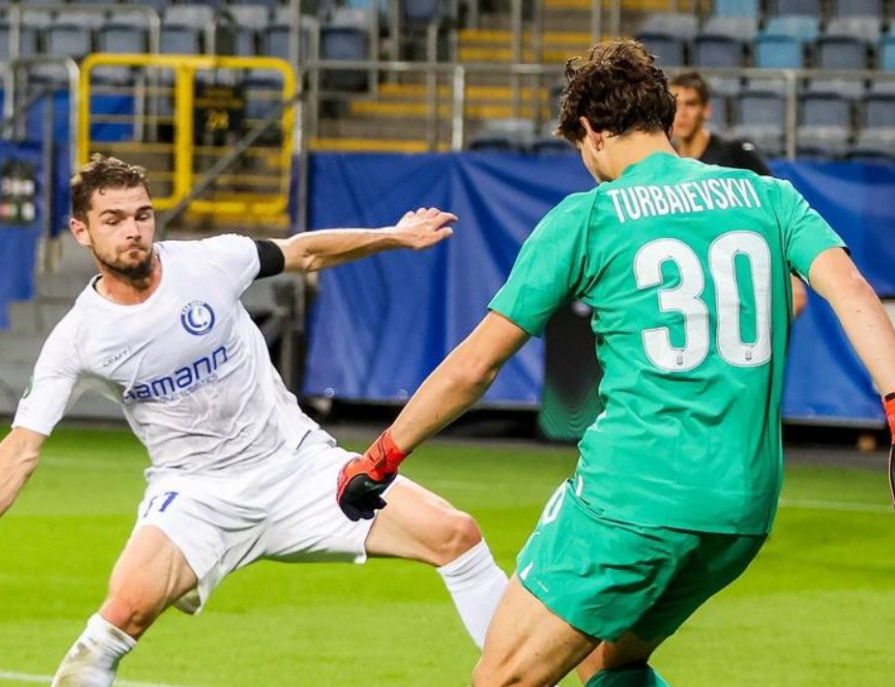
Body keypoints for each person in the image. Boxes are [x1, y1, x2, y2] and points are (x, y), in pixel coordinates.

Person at [337, 40, 895, 687]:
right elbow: (854, 293)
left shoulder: (589, 217)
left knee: (503, 677)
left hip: (634, 496)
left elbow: (474, 367)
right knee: (607, 662)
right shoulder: (769, 196)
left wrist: (380, 457)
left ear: (593, 131)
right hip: (741, 508)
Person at [0, 155, 509, 687]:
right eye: (113, 220)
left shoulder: (211, 262)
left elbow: (305, 251)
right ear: (81, 230)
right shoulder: (79, 338)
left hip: (301, 469)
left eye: (142, 215)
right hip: (197, 497)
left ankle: (519, 672)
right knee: (121, 615)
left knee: (455, 535)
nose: (133, 230)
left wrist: (394, 235)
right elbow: (22, 447)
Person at [670, 70, 808, 317]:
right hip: (687, 286)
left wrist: (792, 277)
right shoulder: (666, 164)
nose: (682, 114)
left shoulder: (735, 154)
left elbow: (777, 209)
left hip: (739, 280)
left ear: (706, 110)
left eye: (690, 104)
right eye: (675, 105)